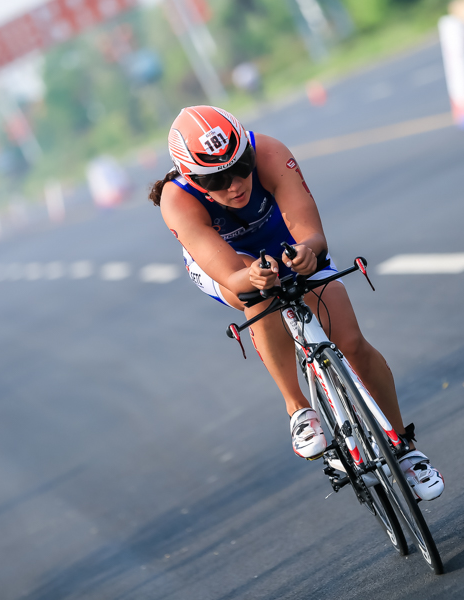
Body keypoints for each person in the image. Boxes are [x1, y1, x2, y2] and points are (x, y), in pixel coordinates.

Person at [149, 106, 443, 501]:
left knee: (352, 344)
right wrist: (251, 277)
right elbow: (230, 276)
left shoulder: (269, 151)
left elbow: (311, 234)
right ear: (192, 178)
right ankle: (298, 407)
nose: (234, 184)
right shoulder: (177, 199)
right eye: (216, 180)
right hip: (230, 264)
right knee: (255, 290)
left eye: (241, 167)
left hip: (284, 239)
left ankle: (402, 447)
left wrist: (307, 251)